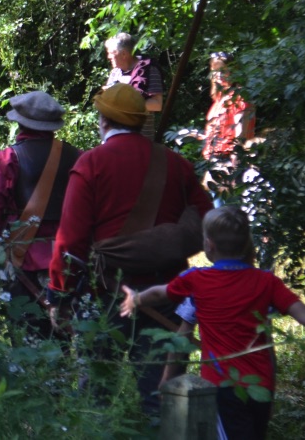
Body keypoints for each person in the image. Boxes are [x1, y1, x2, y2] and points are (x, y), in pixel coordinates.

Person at [120, 206, 305, 439]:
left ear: (208, 245)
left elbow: (160, 295)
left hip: (223, 388)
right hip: (261, 386)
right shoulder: (266, 282)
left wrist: (135, 299)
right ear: (246, 244)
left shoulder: (196, 280)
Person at [46, 83, 213, 411]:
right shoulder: (175, 163)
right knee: (158, 395)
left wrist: (59, 295)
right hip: (167, 292)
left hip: (106, 294)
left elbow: (70, 240)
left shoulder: (91, 164)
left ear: (103, 121)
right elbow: (208, 220)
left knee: (96, 391)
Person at [0, 91, 80, 334]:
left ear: (20, 122)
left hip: (23, 259)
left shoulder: (9, 158)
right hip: (67, 259)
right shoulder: (77, 156)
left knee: (25, 334)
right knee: (63, 336)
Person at [201, 52, 255, 193]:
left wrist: (234, 172)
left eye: (223, 71)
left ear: (234, 72)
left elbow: (241, 136)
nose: (218, 76)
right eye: (215, 71)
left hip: (229, 163)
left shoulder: (239, 98)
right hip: (215, 161)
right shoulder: (219, 100)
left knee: (227, 211)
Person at [104, 32, 164, 140]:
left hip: (142, 141)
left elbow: (157, 104)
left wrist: (124, 101)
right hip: (116, 140)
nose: (108, 57)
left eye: (111, 53)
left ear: (124, 54)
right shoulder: (115, 72)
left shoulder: (148, 69)